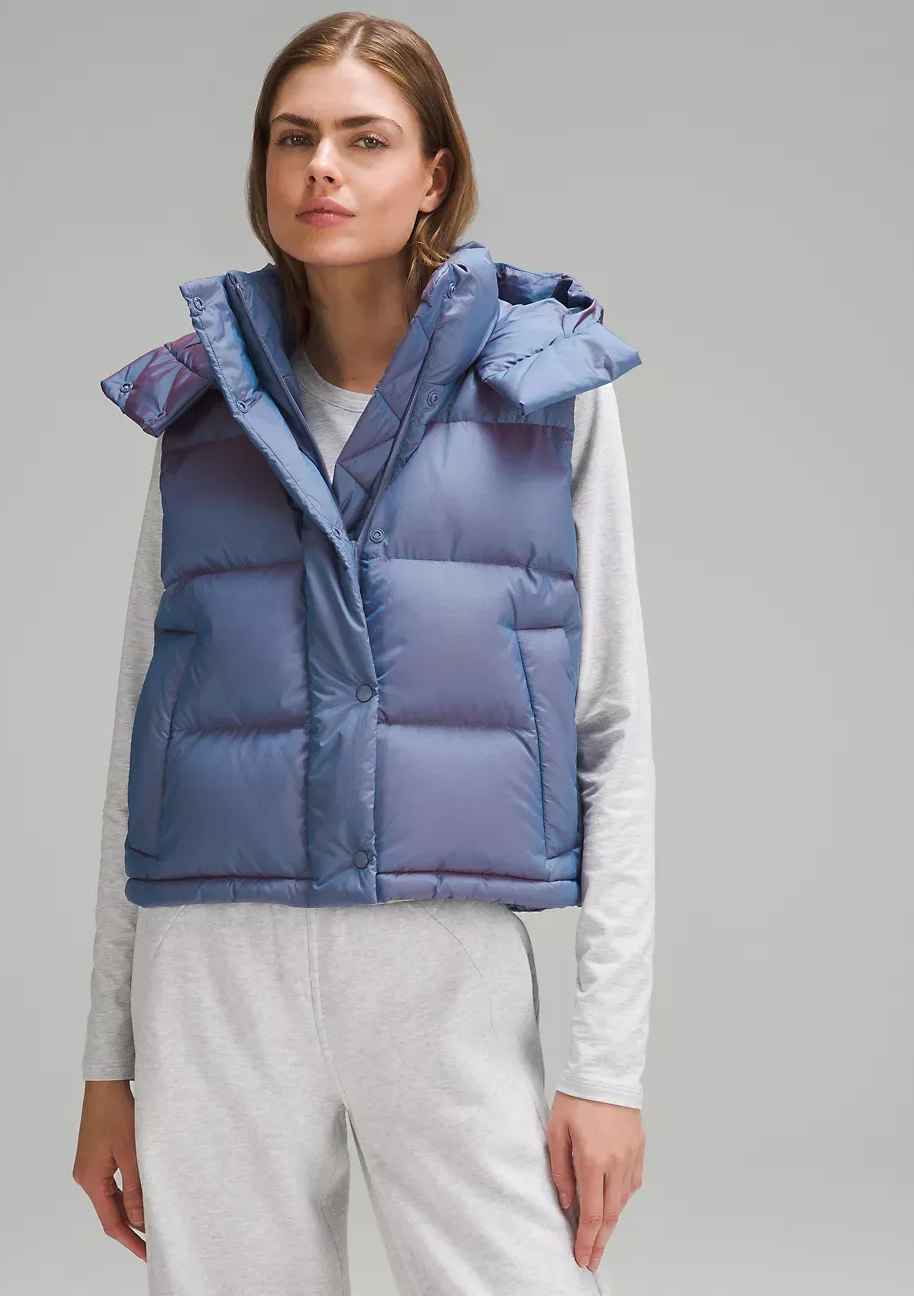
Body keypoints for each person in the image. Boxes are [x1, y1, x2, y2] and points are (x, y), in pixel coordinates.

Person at [72, 12, 654, 1295]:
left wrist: (607, 1072)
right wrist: (108, 1062)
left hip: (438, 963)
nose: (321, 168)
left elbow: (612, 729)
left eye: (364, 139)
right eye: (293, 138)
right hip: (213, 967)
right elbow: (141, 739)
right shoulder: (203, 406)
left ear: (435, 174)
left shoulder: (545, 390)